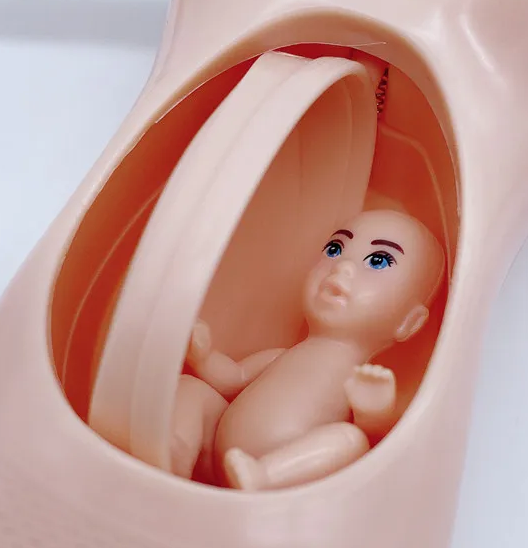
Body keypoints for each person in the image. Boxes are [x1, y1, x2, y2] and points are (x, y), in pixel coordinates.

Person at [172, 209, 445, 490]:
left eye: (378, 261)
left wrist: (373, 411)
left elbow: (377, 444)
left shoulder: (358, 379)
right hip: (219, 451)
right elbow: (234, 378)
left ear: (408, 322)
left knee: (350, 441)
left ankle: (265, 475)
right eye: (335, 249)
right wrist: (204, 357)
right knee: (191, 388)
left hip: (289, 472)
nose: (342, 266)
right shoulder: (282, 356)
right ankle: (174, 453)